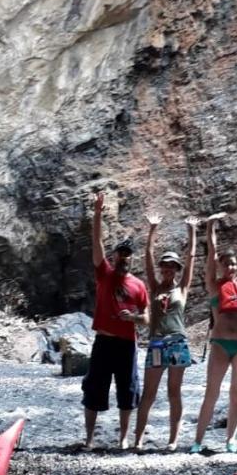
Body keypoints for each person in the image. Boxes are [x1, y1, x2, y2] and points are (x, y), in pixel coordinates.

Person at [190, 210, 237, 453]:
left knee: (236, 393)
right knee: (212, 391)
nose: (230, 267)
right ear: (221, 266)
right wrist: (210, 225)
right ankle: (198, 441)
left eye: (233, 263)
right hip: (220, 343)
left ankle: (231, 440)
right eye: (226, 263)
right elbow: (210, 253)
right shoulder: (213, 285)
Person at [82, 191, 148, 450]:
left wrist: (133, 317)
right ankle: (88, 439)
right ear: (115, 257)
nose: (124, 258)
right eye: (120, 254)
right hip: (104, 341)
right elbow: (96, 243)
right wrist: (98, 213)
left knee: (127, 390)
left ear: (132, 259)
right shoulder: (105, 275)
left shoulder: (139, 285)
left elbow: (146, 318)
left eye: (128, 255)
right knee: (94, 388)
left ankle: (122, 439)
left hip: (126, 343)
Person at [132, 213, 200, 451]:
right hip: (158, 343)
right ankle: (138, 439)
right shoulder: (154, 286)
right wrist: (152, 228)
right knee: (149, 393)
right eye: (165, 266)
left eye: (172, 266)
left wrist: (192, 230)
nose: (168, 269)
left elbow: (192, 257)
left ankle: (173, 440)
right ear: (161, 269)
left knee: (174, 392)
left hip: (178, 342)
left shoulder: (182, 288)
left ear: (177, 270)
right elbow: (147, 256)